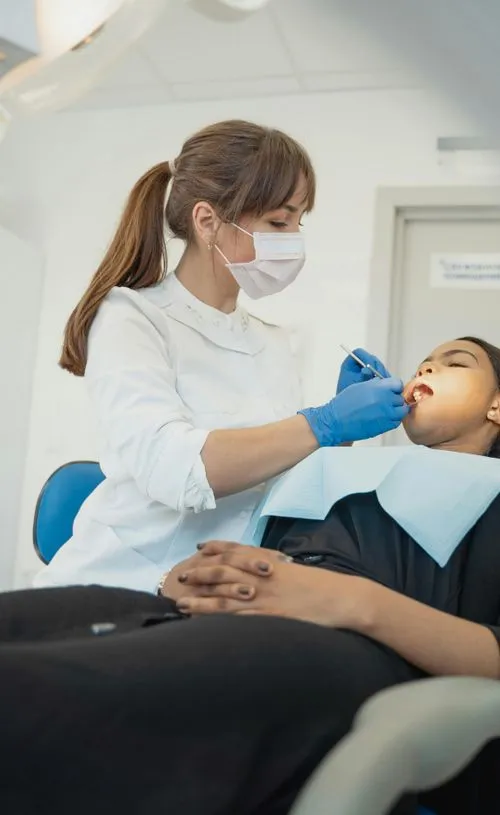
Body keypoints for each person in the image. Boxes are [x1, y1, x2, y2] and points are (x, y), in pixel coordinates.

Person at [2, 336, 499, 815]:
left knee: (31, 695)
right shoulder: (347, 469)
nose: (425, 368)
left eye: (454, 362)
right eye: (424, 361)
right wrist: (194, 575)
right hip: (218, 617)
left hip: (350, 653)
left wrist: (352, 602)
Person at [34, 119, 408, 594]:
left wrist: (335, 438)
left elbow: (274, 479)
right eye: (278, 221)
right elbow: (174, 470)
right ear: (207, 221)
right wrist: (322, 423)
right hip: (123, 585)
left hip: (222, 587)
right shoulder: (134, 317)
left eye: (299, 220)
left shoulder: (272, 341)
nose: (293, 237)